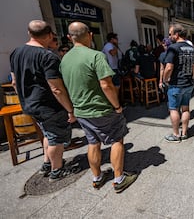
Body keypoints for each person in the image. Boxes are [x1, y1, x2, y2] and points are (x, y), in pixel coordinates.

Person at [60, 22, 137, 193]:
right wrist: (117, 106)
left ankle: (97, 177)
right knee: (117, 139)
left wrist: (71, 110)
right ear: (90, 35)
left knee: (93, 142)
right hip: (101, 109)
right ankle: (119, 179)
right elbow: (107, 84)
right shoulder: (96, 56)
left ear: (69, 37)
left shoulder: (65, 59)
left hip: (81, 111)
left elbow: (61, 87)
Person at [9, 20, 76, 182]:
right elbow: (56, 89)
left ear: (29, 33)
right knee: (56, 139)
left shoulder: (16, 52)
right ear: (48, 35)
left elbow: (14, 82)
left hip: (30, 105)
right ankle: (56, 170)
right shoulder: (47, 56)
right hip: (49, 106)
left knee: (47, 133)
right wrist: (70, 110)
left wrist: (26, 99)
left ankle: (47, 163)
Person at [163, 23, 194, 143]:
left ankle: (176, 134)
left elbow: (169, 67)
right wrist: (191, 78)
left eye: (171, 34)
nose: (170, 36)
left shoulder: (173, 48)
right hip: (188, 83)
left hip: (176, 84)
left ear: (177, 35)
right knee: (186, 109)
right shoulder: (191, 48)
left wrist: (164, 79)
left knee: (174, 109)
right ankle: (185, 133)